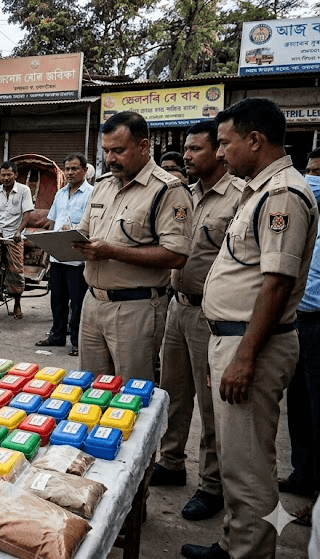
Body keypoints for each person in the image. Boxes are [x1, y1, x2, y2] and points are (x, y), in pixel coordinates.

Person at [182, 98, 318, 559]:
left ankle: (248, 553)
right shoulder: (257, 190)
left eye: (225, 143)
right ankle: (235, 543)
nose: (220, 153)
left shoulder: (282, 195)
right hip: (233, 339)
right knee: (238, 459)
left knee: (249, 467)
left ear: (254, 140)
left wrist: (243, 358)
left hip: (251, 346)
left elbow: (276, 285)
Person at [150, 120, 244, 523]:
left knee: (211, 405)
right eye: (185, 150)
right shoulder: (185, 196)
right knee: (173, 392)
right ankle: (171, 463)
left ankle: (212, 485)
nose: (186, 157)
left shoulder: (239, 198)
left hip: (213, 316)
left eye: (196, 149)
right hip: (178, 306)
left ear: (219, 152)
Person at [73, 111, 193, 381]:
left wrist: (112, 252)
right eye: (106, 150)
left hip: (135, 308)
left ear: (143, 146)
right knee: (90, 392)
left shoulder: (168, 190)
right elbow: (84, 230)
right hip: (92, 302)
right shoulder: (102, 186)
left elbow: (176, 255)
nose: (110, 158)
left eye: (118, 150)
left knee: (131, 395)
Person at [283, 148, 320, 525]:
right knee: (299, 407)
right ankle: (302, 475)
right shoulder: (308, 214)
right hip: (299, 321)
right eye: (309, 170)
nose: (312, 179)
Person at [36, 154, 93, 356]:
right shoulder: (60, 194)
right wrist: (48, 245)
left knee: (77, 302)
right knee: (57, 300)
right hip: (57, 257)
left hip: (78, 259)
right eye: (67, 169)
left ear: (85, 171)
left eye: (74, 169)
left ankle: (77, 341)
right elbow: (52, 222)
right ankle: (57, 335)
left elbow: (93, 226)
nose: (70, 172)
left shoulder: (92, 194)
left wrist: (75, 228)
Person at [0, 160, 35, 319]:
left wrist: (19, 231)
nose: (5, 178)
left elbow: (27, 213)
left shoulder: (24, 190)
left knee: (15, 269)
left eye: (9, 175)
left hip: (15, 233)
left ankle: (17, 304)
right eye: (3, 175)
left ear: (15, 175)